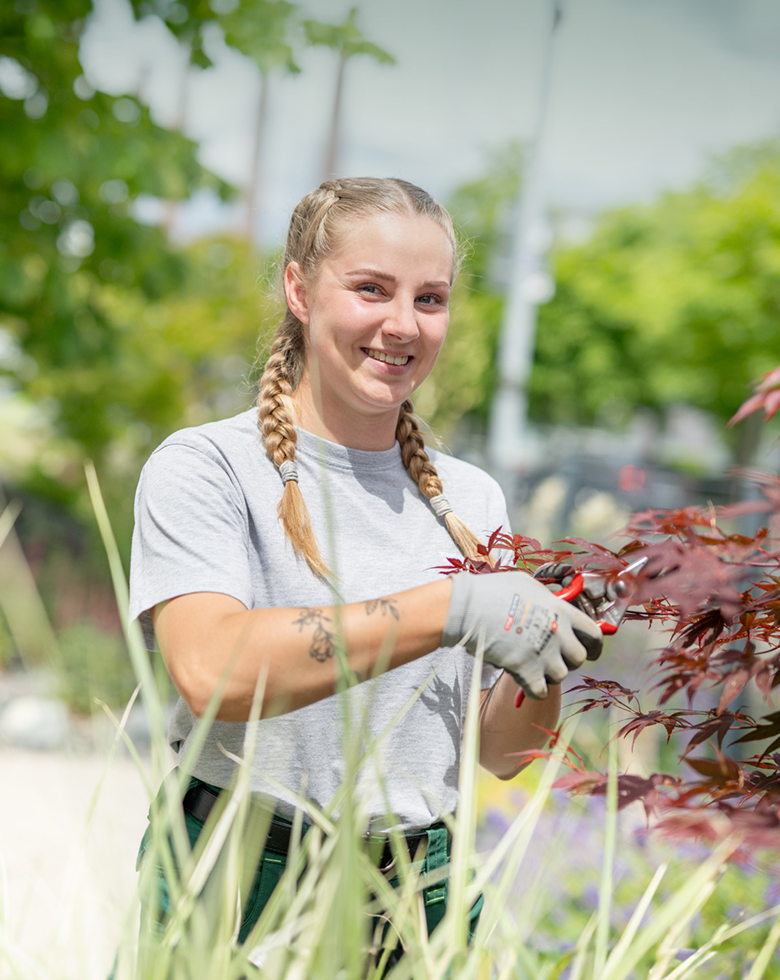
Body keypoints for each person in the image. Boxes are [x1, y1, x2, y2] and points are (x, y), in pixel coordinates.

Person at [129, 177, 604, 960]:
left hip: (421, 884)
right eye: (372, 290)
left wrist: (550, 649)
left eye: (430, 299)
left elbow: (504, 754)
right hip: (242, 869)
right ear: (299, 288)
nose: (402, 324)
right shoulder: (207, 468)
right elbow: (214, 671)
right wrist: (450, 607)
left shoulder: (473, 497)